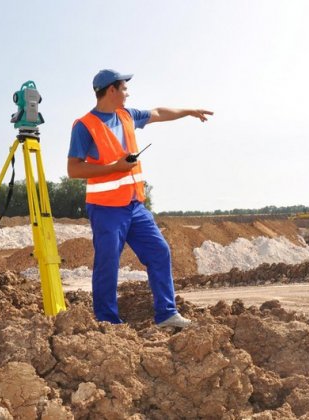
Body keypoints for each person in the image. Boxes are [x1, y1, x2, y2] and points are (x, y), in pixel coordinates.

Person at [67, 69, 213, 328]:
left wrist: (189, 111)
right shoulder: (84, 126)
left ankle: (167, 315)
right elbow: (73, 169)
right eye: (124, 88)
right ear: (111, 90)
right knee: (108, 264)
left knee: (159, 251)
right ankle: (107, 322)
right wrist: (114, 167)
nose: (127, 93)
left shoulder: (127, 115)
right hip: (105, 209)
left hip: (135, 206)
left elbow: (158, 113)